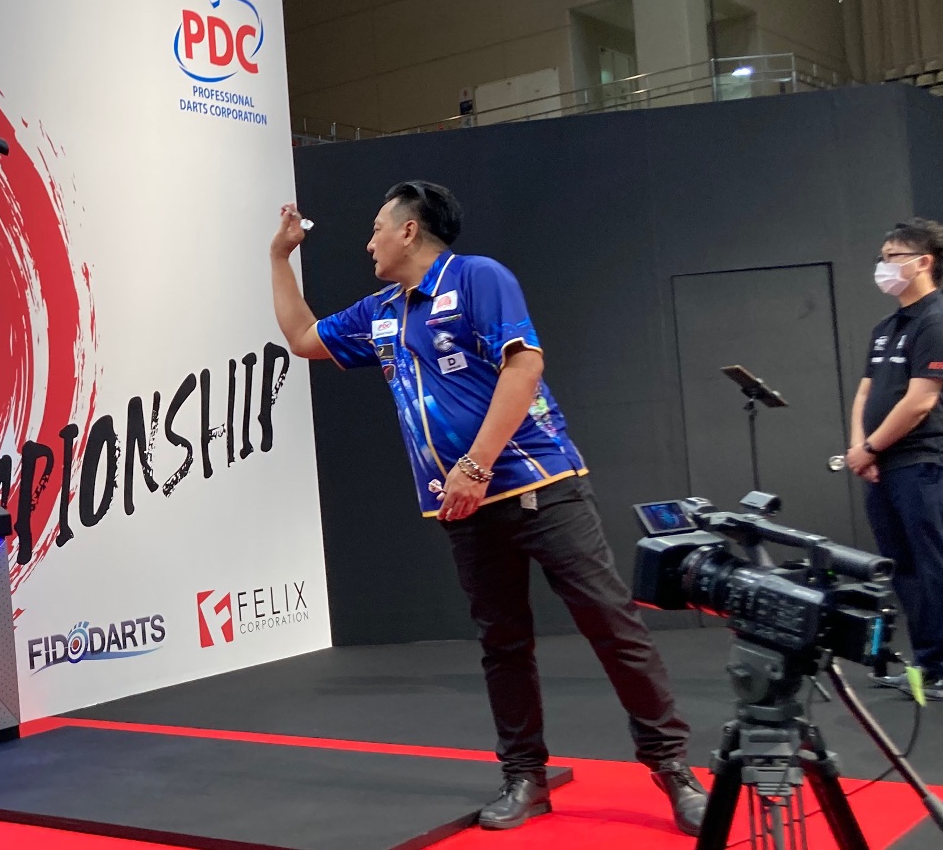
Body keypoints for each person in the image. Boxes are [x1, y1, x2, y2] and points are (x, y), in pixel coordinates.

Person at [268, 181, 707, 834]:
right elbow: (304, 338)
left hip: (541, 486)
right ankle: (525, 776)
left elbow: (523, 369)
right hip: (464, 509)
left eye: (377, 228)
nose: (369, 243)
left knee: (611, 625)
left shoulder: (478, 277)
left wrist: (474, 467)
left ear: (409, 229)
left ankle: (673, 769)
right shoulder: (380, 311)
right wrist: (280, 257)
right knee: (502, 644)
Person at [847, 218, 943, 701]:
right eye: (883, 256)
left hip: (934, 465)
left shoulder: (941, 321)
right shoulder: (887, 328)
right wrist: (860, 448)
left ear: (923, 262)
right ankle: (930, 664)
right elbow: (866, 392)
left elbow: (921, 401)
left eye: (892, 256)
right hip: (887, 468)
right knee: (907, 572)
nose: (883, 265)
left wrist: (870, 448)